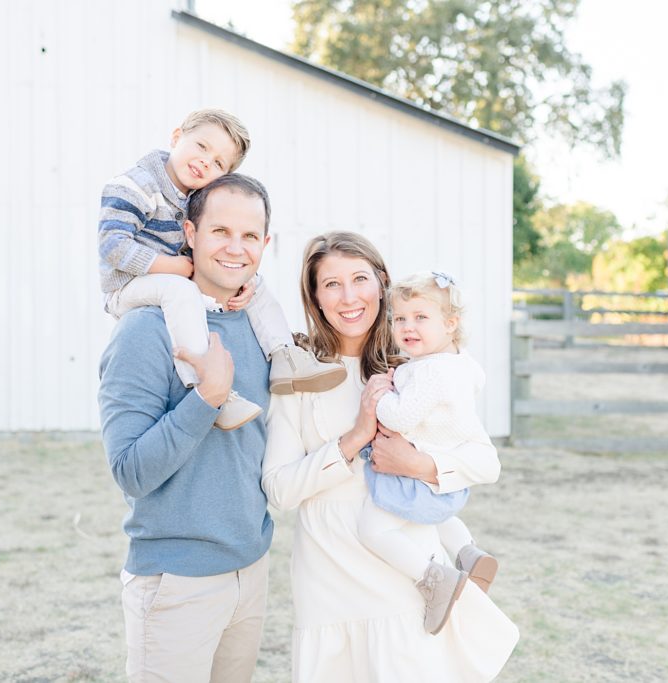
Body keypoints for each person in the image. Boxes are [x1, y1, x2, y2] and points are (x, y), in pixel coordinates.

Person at [263, 232, 519, 682]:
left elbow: (483, 461)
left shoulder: (419, 368)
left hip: (406, 573)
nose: (348, 297)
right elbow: (279, 490)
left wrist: (420, 465)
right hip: (329, 575)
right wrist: (354, 438)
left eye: (360, 279)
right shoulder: (298, 373)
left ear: (382, 285)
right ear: (315, 297)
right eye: (331, 285)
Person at [98, 174, 276, 682]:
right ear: (189, 233)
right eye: (220, 231)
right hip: (176, 582)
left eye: (249, 236)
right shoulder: (145, 330)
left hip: (251, 566)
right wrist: (206, 399)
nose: (235, 249)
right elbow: (130, 471)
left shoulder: (257, 326)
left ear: (265, 244)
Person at [97, 108, 345, 430]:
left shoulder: (192, 194)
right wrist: (170, 266)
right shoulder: (135, 184)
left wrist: (246, 283)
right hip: (126, 286)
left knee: (256, 282)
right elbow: (111, 245)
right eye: (201, 147)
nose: (205, 162)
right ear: (176, 137)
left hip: (166, 279)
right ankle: (206, 384)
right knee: (181, 290)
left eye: (218, 163)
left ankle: (285, 357)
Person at [356, 270, 500, 635]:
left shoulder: (428, 373)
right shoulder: (462, 365)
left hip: (416, 469)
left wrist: (381, 395)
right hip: (444, 474)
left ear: (451, 324)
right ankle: (468, 552)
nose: (407, 327)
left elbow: (401, 417)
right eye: (400, 318)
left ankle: (435, 580)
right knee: (437, 514)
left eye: (421, 317)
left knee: (373, 529)